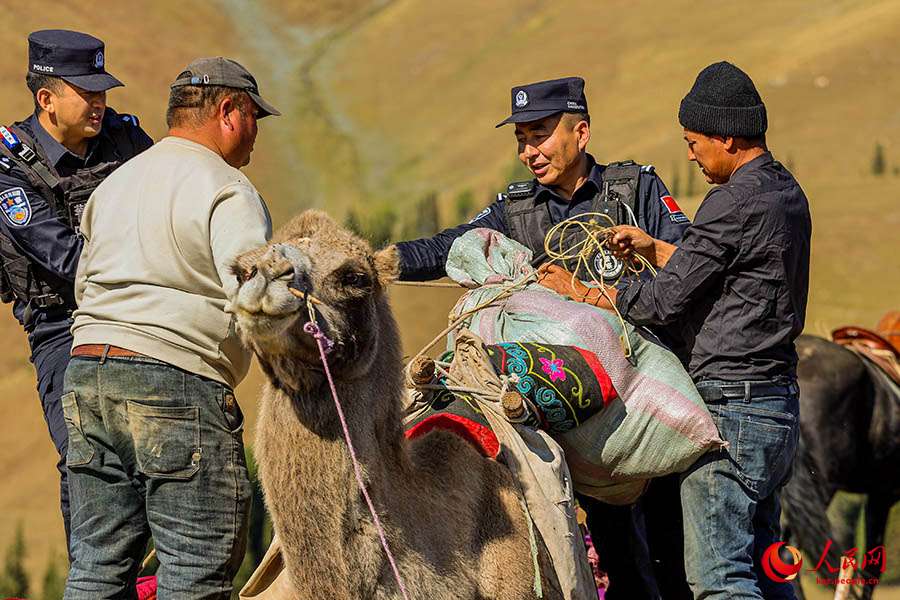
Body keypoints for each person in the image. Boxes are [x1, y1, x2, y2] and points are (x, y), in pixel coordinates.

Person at [396, 77, 692, 599]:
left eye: (539, 135)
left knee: (680, 563)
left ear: (581, 131)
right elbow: (450, 246)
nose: (528, 152)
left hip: (655, 412)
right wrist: (380, 262)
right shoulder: (517, 212)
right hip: (590, 431)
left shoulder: (635, 189)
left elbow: (691, 265)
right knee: (622, 569)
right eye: (520, 140)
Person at [539, 61, 811, 600]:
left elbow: (661, 304)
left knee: (721, 580)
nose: (690, 153)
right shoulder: (785, 191)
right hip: (778, 407)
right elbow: (732, 268)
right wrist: (656, 247)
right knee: (763, 568)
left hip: (732, 411)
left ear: (725, 136)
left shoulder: (730, 201)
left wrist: (580, 290)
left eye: (693, 140)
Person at [61, 57, 279, 598]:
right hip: (176, 383)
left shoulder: (115, 183)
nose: (256, 132)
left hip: (86, 375)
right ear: (229, 110)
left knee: (96, 566)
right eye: (254, 116)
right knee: (194, 572)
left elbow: (83, 287)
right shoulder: (228, 188)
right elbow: (254, 299)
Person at [0, 29, 152, 550]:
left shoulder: (125, 138)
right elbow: (65, 256)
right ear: (46, 99)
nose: (100, 102)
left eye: (102, 90)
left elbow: (177, 194)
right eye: (86, 92)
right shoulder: (9, 167)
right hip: (64, 324)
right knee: (84, 455)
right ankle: (95, 575)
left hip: (141, 309)